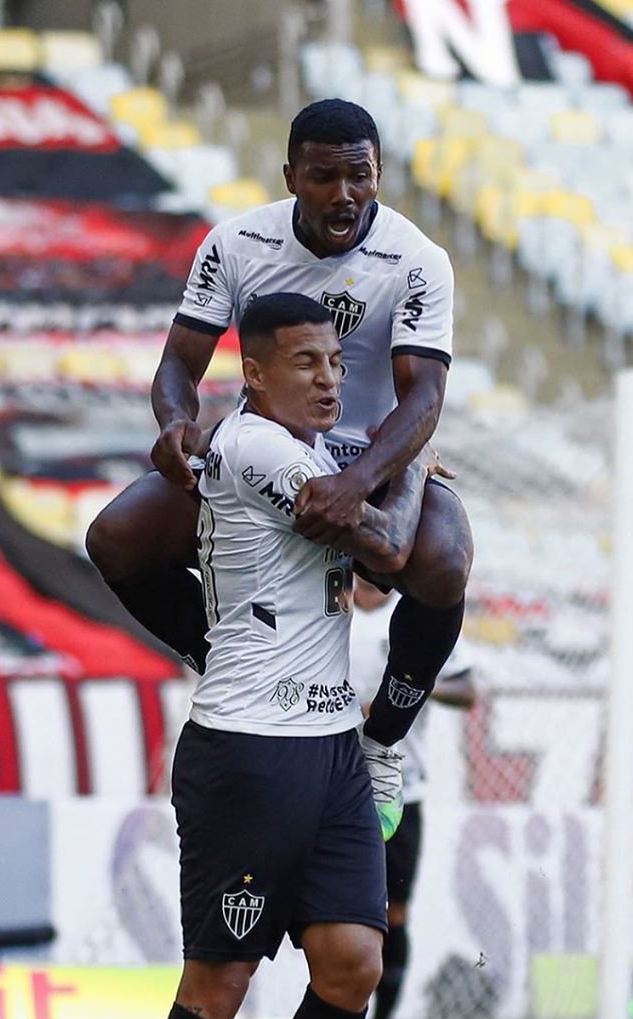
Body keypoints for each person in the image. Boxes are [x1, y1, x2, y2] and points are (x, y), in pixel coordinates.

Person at [134, 293, 447, 1019]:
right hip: (245, 753)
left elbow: (377, 536)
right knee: (216, 989)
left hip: (329, 752)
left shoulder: (318, 450)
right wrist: (412, 476)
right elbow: (391, 551)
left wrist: (390, 474)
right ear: (254, 374)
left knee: (354, 964)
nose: (326, 376)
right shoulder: (260, 447)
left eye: (333, 360)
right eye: (303, 360)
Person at [86, 98, 473, 840]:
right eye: (323, 176)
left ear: (379, 173)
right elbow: (178, 365)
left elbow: (424, 395)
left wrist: (358, 482)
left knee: (445, 563)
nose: (343, 195)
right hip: (260, 453)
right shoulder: (236, 242)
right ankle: (220, 654)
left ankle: (384, 740)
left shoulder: (417, 259)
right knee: (115, 540)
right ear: (291, 174)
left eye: (358, 176)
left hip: (375, 454)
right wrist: (175, 425)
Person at [349, 575, 476, 1019]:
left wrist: (411, 686)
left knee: (391, 920)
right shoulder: (325, 600)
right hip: (328, 788)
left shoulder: (418, 612)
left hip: (401, 793)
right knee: (328, 921)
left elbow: (467, 689)